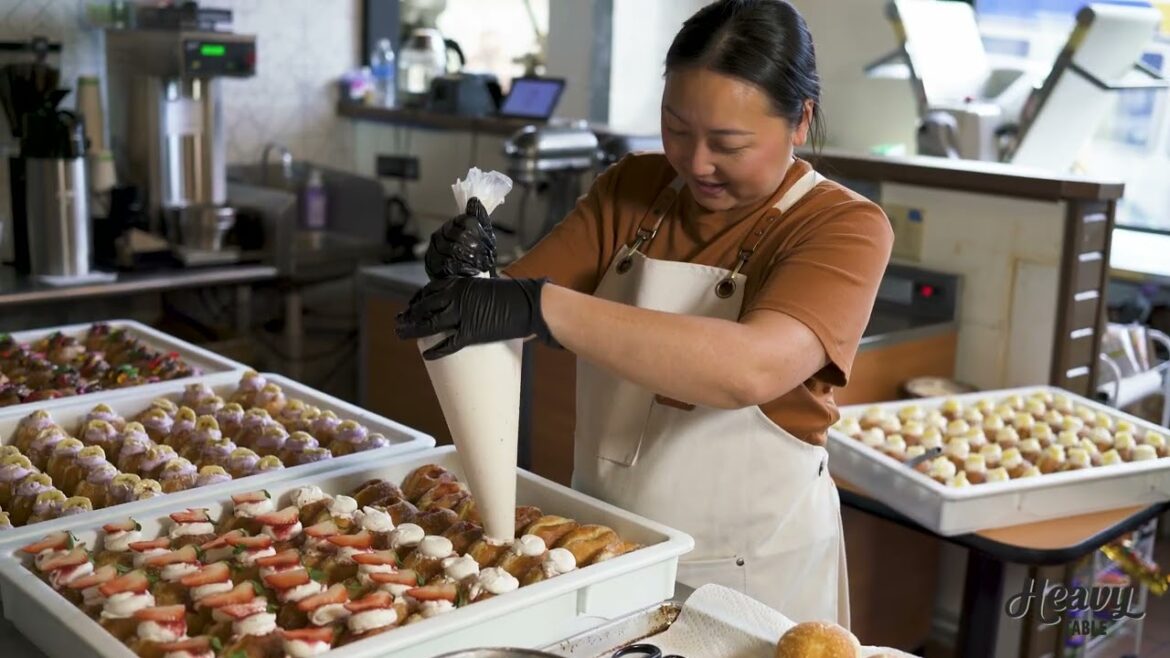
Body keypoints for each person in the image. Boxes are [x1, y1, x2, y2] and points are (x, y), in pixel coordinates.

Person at [396, 0, 892, 626]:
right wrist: (469, 277)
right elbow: (506, 308)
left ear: (801, 122)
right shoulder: (634, 189)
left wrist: (538, 304)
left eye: (728, 144)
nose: (696, 162)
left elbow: (749, 369)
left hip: (749, 571)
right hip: (603, 547)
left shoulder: (843, 227)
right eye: (676, 129)